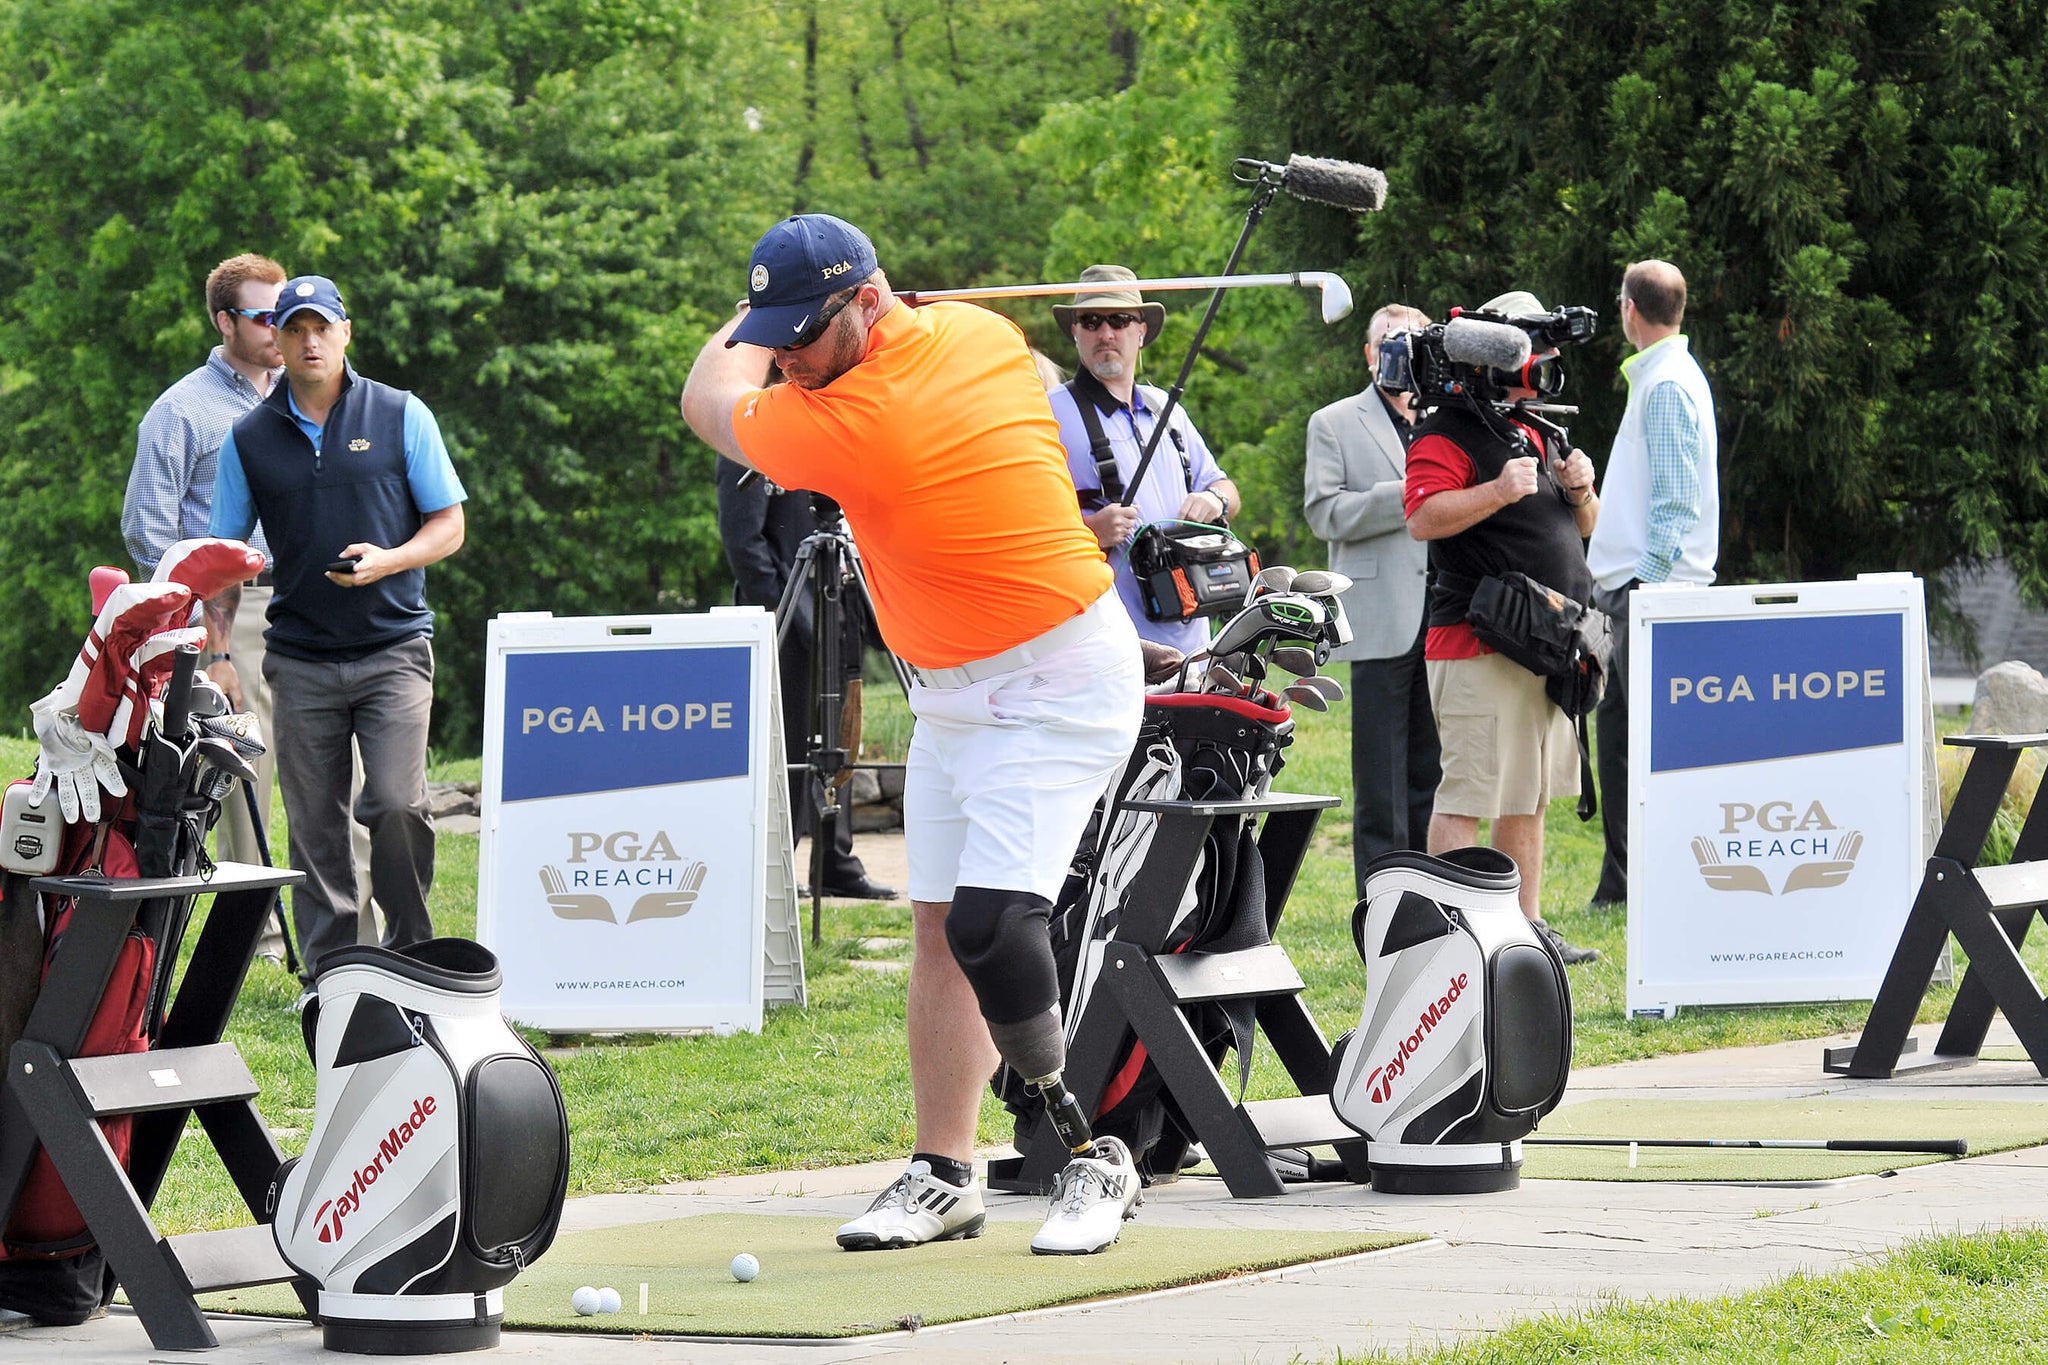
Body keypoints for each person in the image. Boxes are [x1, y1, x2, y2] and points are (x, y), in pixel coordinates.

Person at [682, 214, 1145, 1256]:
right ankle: (946, 1172)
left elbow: (702, 397)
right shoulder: (979, 336)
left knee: (992, 926)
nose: (787, 356)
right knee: (936, 927)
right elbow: (1009, 360)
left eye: (802, 332)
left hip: (1054, 683)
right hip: (950, 696)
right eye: (776, 332)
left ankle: (1090, 1152)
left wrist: (745, 329)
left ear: (869, 303)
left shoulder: (851, 426)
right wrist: (799, 312)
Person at [205, 275, 467, 979]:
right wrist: (219, 652)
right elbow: (222, 561)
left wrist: (391, 561)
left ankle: (413, 955)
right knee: (316, 828)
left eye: (322, 327)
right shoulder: (250, 439)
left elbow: (450, 524)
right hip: (302, 660)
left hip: (394, 649)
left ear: (346, 332)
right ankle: (335, 974)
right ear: (278, 340)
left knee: (395, 802)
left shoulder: (401, 414)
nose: (309, 340)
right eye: (295, 329)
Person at [121, 256, 381, 965]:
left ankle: (359, 930)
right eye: (264, 316)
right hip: (228, 616)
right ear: (225, 321)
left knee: (343, 773)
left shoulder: (310, 401)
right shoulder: (181, 411)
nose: (279, 329)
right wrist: (206, 639)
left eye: (285, 315)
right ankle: (265, 939)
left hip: (316, 607)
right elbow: (149, 531)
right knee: (245, 780)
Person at [1403, 290, 1602, 965]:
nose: (1539, 367)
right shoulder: (1443, 431)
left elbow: (1580, 530)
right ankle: (1448, 939)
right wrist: (1497, 490)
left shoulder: (1535, 427)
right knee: (1469, 792)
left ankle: (1526, 927)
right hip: (1476, 642)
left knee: (1529, 792)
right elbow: (1423, 518)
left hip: (1545, 643)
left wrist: (1579, 492)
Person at [1584, 260, 1719, 907]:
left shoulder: (1665, 384)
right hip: (1641, 591)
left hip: (1648, 594)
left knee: (1637, 743)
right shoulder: (1666, 376)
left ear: (1628, 310)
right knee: (1619, 735)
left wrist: (1642, 591)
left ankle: (1640, 883)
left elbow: (1673, 506)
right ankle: (1624, 881)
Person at [715, 455, 897, 900]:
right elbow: (744, 540)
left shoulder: (835, 430)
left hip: (842, 599)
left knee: (843, 736)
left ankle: (834, 864)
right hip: (785, 615)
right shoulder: (754, 435)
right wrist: (782, 611)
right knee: (788, 744)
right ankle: (779, 864)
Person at [1305, 303, 1440, 893]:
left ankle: (1434, 895)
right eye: (1390, 343)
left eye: (1413, 342)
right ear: (1368, 352)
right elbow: (1324, 514)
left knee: (1432, 772)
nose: (1401, 353)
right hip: (1381, 617)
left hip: (1445, 615)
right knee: (1382, 779)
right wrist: (1406, 493)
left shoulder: (1448, 418)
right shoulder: (1333, 421)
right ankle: (1384, 903)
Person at [1046, 266, 1241, 656]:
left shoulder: (1167, 410)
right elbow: (1025, 525)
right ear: (1075, 331)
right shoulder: (1047, 414)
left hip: (1196, 639)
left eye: (1118, 320)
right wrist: (1090, 532)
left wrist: (1215, 501)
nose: (1105, 334)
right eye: (1091, 321)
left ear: (1141, 332)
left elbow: (1227, 490)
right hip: (1109, 646)